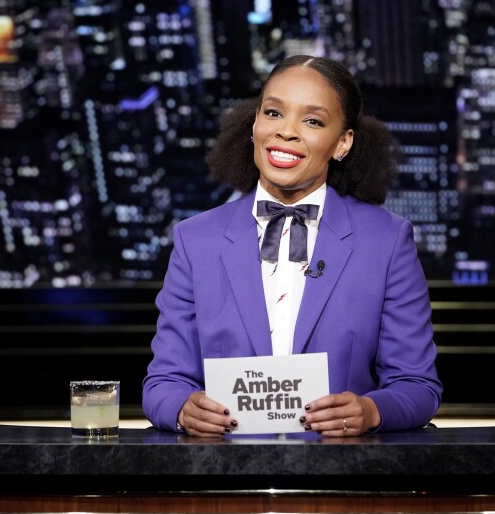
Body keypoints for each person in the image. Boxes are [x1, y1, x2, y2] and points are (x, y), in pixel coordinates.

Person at [142, 55, 442, 437]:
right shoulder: (194, 239)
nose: (286, 131)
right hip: (227, 477)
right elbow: (162, 384)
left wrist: (370, 410)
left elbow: (418, 387)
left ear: (343, 142)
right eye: (273, 113)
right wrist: (183, 409)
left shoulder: (386, 241)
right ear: (254, 125)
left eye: (313, 121)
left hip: (339, 479)